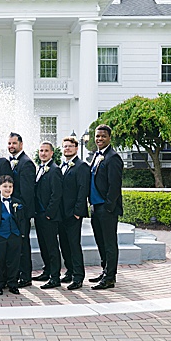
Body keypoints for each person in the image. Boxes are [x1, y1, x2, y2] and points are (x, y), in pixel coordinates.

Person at [89, 124, 124, 290]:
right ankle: (105, 271)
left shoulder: (113, 157)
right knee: (100, 242)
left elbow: (114, 186)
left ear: (109, 138)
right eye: (97, 136)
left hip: (106, 208)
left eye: (103, 136)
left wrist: (109, 207)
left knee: (110, 244)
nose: (99, 139)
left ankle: (110, 277)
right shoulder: (96, 156)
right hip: (95, 207)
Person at [0, 175, 28, 295]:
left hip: (15, 235)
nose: (8, 189)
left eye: (10, 187)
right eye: (5, 186)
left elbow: (23, 219)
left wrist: (21, 233)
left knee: (14, 260)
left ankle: (13, 283)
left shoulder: (17, 202)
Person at [59, 135, 89, 290]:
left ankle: (78, 277)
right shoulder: (61, 165)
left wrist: (78, 212)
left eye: (70, 146)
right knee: (64, 244)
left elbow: (83, 189)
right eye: (65, 146)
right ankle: (69, 271)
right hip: (61, 213)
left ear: (76, 148)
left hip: (73, 214)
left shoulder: (81, 166)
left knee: (74, 245)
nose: (67, 149)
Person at [6, 132, 36, 287]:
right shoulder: (12, 161)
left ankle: (26, 276)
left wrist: (22, 211)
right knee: (17, 244)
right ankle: (17, 274)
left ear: (21, 144)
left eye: (14, 143)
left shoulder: (26, 163)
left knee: (23, 244)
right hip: (14, 210)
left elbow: (27, 192)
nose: (11, 146)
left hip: (22, 211)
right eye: (9, 143)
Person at [33, 141, 63, 288]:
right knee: (43, 245)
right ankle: (47, 270)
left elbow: (56, 195)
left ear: (52, 153)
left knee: (51, 247)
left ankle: (55, 278)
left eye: (46, 151)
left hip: (48, 216)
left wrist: (49, 214)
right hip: (39, 214)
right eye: (41, 151)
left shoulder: (54, 169)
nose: (43, 153)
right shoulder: (40, 168)